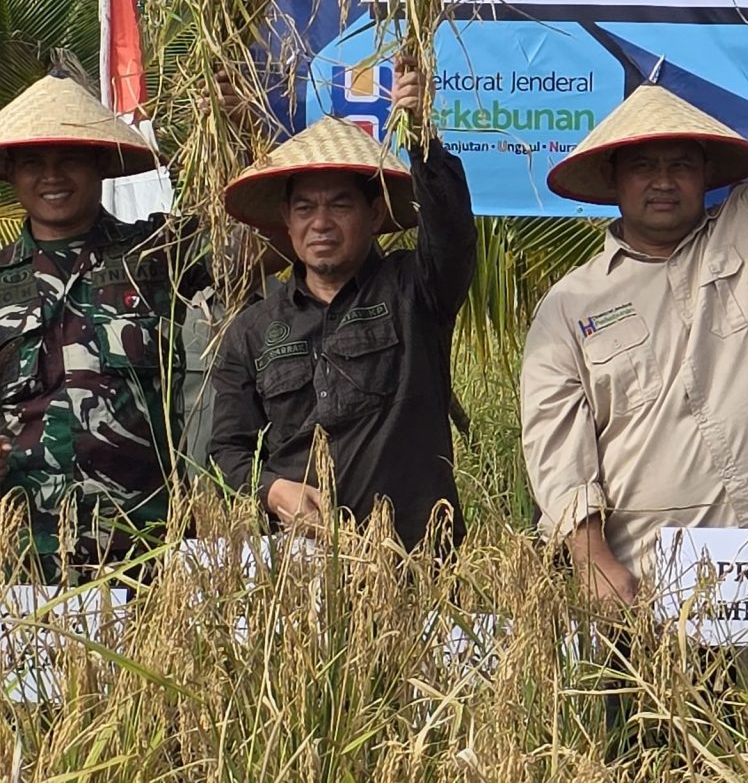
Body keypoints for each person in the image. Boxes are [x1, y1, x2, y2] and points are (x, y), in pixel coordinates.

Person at [519, 0, 748, 601]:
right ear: (615, 181)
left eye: (680, 163)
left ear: (707, 174)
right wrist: (591, 559)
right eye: (644, 166)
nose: (664, 179)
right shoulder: (569, 306)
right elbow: (557, 446)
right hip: (643, 569)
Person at [208, 61, 476, 549]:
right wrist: (271, 491)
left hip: (415, 564)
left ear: (374, 213)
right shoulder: (252, 330)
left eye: (341, 205)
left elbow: (452, 233)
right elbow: (226, 451)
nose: (321, 223)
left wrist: (420, 140)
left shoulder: (416, 291)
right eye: (305, 209)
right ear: (286, 223)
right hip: (294, 571)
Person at [0, 76, 196, 571]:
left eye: (69, 158)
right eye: (33, 162)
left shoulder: (156, 254)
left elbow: (252, 240)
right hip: (21, 549)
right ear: (10, 172)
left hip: (144, 543)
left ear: (102, 163)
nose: (52, 176)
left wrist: (233, 123)